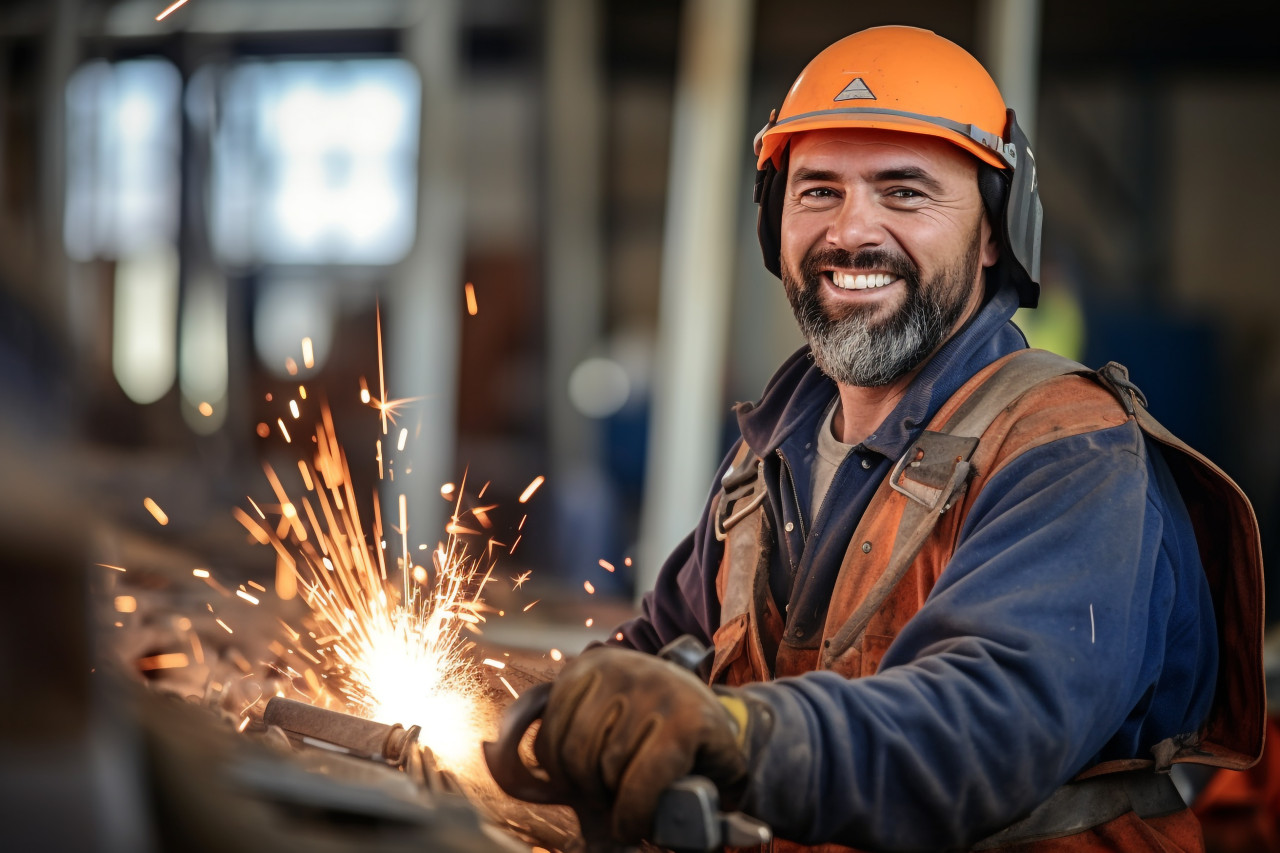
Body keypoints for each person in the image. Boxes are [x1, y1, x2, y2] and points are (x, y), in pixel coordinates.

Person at [513, 26, 1265, 851]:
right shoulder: (767, 462)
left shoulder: (1071, 452)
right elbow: (660, 656)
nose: (851, 232)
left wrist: (740, 732)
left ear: (992, 234)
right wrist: (581, 709)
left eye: (904, 192)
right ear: (775, 222)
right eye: (818, 191)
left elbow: (986, 725)